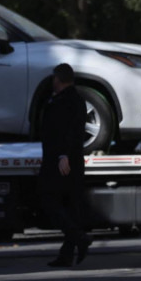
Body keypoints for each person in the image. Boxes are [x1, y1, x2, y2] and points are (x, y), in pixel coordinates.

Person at [38, 63, 92, 267]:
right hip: (61, 158)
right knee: (70, 206)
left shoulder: (71, 100)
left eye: (54, 79)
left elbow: (73, 131)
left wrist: (64, 155)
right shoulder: (64, 98)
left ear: (58, 79)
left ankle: (79, 238)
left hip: (63, 160)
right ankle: (68, 252)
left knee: (48, 198)